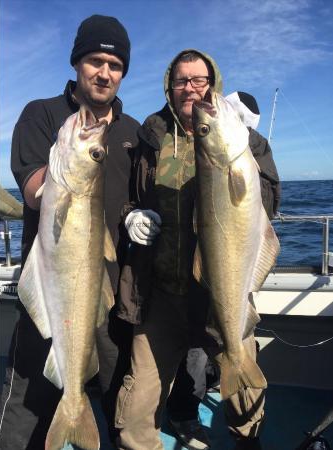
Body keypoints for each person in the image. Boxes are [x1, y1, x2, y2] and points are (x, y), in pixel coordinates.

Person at [113, 49, 280, 450]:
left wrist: (245, 154)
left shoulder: (245, 141)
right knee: (135, 411)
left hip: (220, 291)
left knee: (244, 389)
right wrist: (131, 217)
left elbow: (270, 200)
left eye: (199, 80)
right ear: (169, 86)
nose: (190, 88)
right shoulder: (149, 137)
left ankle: (248, 440)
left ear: (213, 84)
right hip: (159, 293)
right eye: (181, 80)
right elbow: (130, 197)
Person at [0, 15, 139, 449]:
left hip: (115, 294)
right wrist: (70, 157)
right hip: (54, 287)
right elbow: (36, 192)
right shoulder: (42, 116)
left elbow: (140, 197)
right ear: (77, 64)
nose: (104, 73)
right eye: (95, 61)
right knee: (25, 410)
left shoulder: (135, 132)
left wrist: (139, 216)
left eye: (115, 65)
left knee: (122, 406)